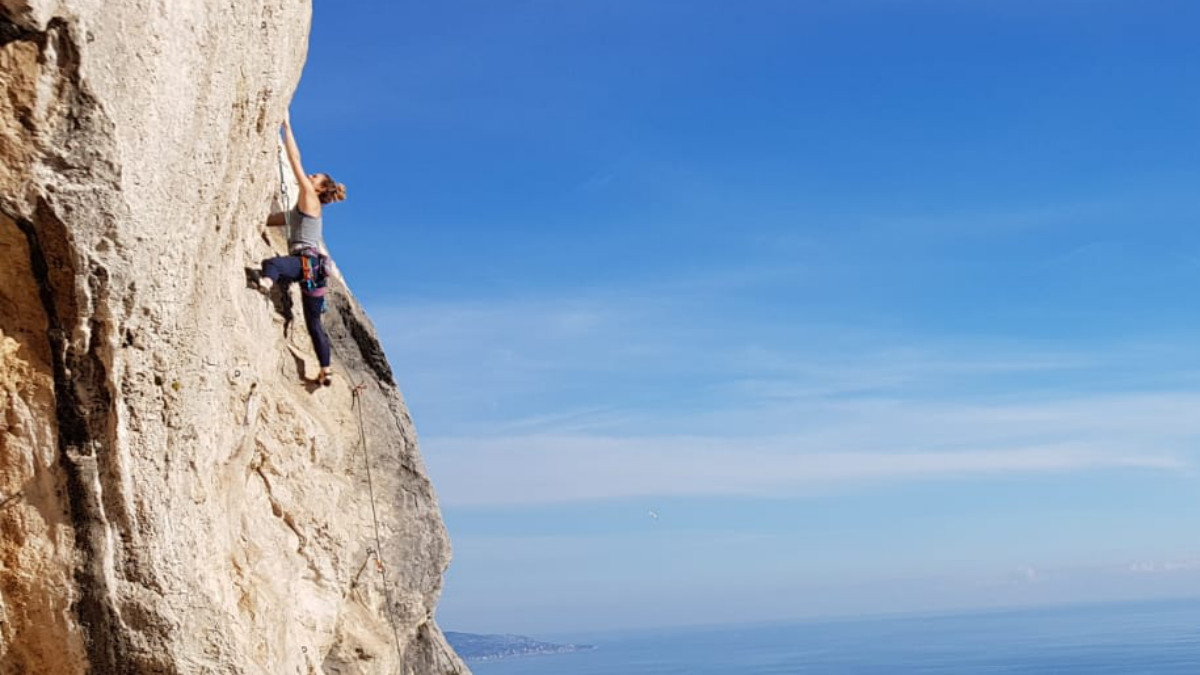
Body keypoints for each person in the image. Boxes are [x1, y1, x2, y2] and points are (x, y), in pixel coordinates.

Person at [257, 112, 347, 386]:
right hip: (316, 273)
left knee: (271, 265)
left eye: (315, 177)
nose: (310, 176)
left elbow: (295, 161)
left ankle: (265, 284)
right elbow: (270, 220)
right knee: (314, 324)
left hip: (305, 264)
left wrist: (287, 126)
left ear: (319, 189)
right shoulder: (298, 212)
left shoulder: (310, 199)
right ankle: (326, 370)